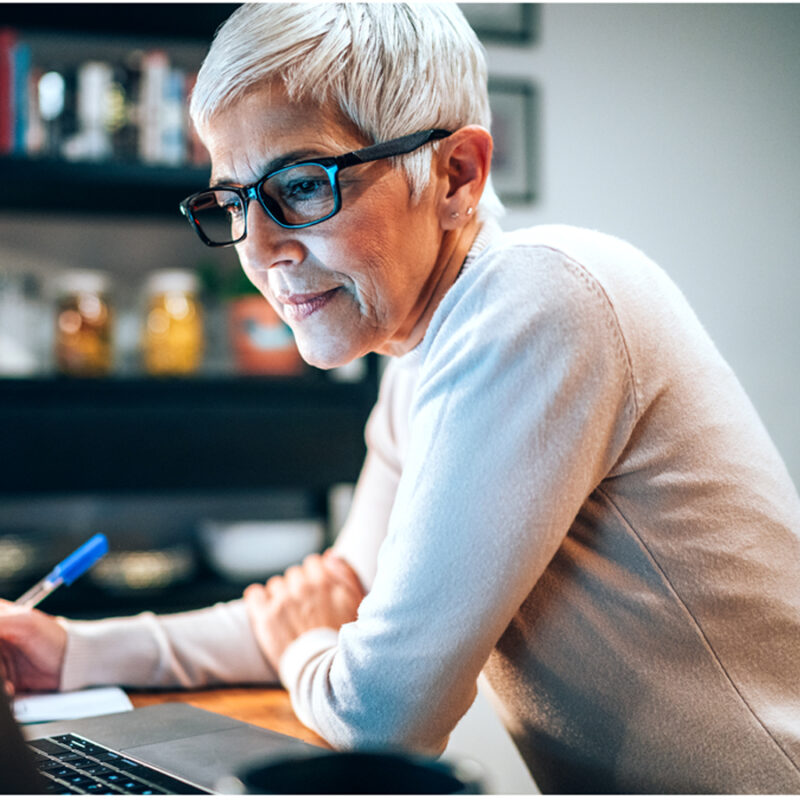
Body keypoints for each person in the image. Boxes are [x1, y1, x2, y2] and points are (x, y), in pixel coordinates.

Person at [2, 3, 800, 793]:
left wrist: (304, 646)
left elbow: (381, 717)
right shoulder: (419, 355)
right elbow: (339, 594)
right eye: (235, 201)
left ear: (458, 175)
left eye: (303, 185)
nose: (260, 247)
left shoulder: (538, 299)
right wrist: (69, 650)